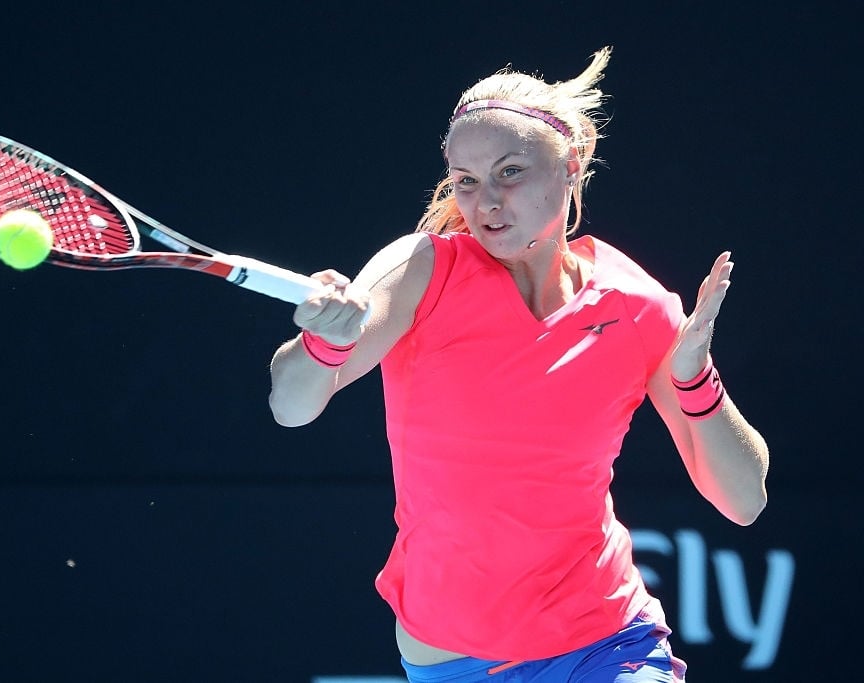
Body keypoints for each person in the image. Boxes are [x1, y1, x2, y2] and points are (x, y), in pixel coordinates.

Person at [267, 47, 769, 683]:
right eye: (467, 181)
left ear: (571, 168)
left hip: (606, 638)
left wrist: (696, 379)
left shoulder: (638, 306)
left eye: (510, 172)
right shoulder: (421, 270)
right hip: (456, 663)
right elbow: (291, 406)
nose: (486, 203)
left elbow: (744, 501)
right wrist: (324, 343)